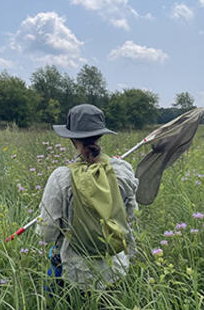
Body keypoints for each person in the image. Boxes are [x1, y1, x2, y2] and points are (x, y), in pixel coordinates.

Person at [37, 104, 139, 290]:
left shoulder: (60, 177)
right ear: (101, 135)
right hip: (115, 270)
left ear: (71, 139)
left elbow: (46, 232)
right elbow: (131, 215)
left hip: (75, 274)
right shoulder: (123, 170)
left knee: (49, 296)